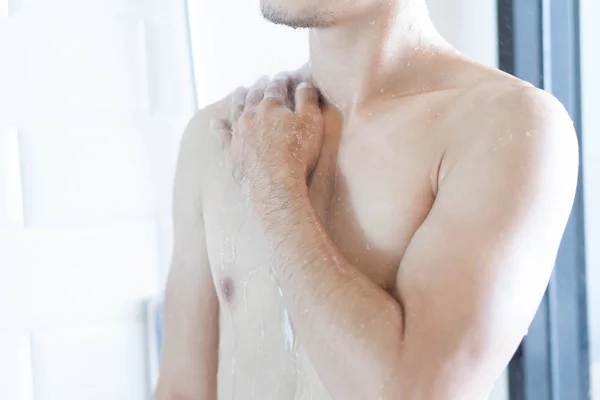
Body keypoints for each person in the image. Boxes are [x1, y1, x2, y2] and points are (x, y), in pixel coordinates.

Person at [154, 0, 579, 398]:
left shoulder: (506, 128)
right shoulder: (222, 135)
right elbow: (180, 391)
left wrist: (275, 191)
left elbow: (413, 393)